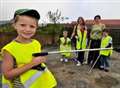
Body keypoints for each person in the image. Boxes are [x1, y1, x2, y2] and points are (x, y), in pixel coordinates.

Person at [1, 9, 57, 88]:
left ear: (36, 28)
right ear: (14, 25)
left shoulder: (36, 43)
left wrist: (40, 60)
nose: (27, 29)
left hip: (41, 84)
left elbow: (37, 63)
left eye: (32, 26)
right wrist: (32, 64)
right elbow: (7, 75)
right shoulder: (9, 49)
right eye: (23, 25)